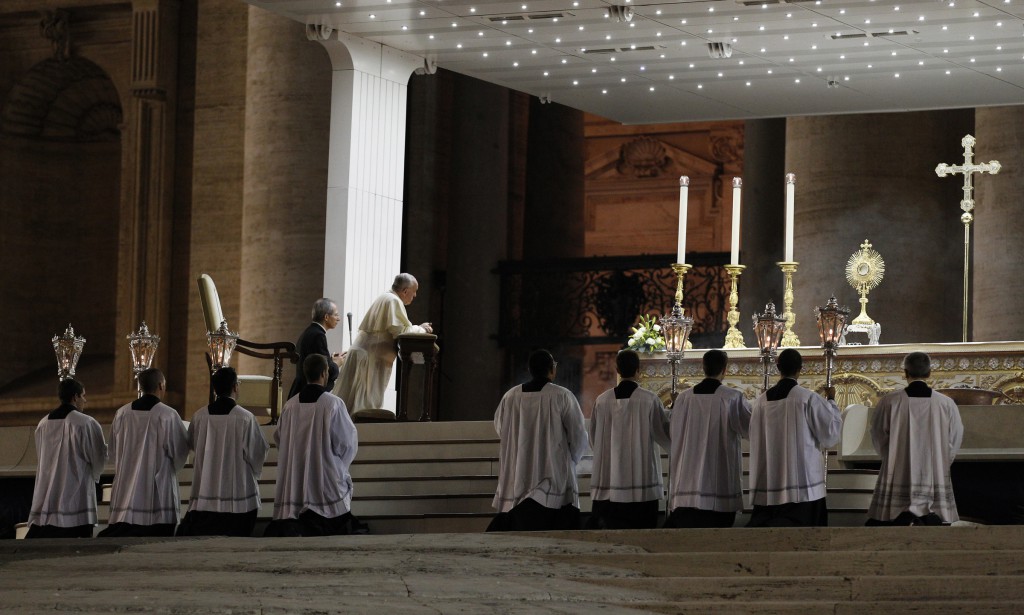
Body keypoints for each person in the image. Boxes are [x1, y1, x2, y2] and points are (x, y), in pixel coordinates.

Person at [488, 349, 588, 532]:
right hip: (553, 469)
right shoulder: (562, 395)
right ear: (552, 369)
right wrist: (572, 460)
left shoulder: (510, 396)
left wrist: (521, 442)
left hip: (519, 469)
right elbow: (578, 434)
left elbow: (501, 428)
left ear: (529, 369)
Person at [265, 354, 359, 536]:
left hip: (295, 477)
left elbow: (279, 438)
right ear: (325, 373)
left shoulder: (290, 406)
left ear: (305, 374)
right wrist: (338, 466)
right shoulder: (333, 404)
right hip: (325, 478)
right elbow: (347, 443)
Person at [746, 349, 842, 528]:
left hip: (769, 482)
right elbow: (830, 433)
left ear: (777, 368)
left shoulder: (760, 402)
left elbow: (753, 435)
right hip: (802, 488)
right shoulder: (807, 398)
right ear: (800, 369)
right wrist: (831, 401)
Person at [866, 352, 964, 526]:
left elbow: (878, 433)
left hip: (898, 467)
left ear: (905, 373)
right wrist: (943, 460)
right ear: (929, 373)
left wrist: (891, 457)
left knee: (890, 519)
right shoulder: (945, 403)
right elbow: (955, 436)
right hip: (934, 468)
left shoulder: (889, 402)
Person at [177, 367, 269, 537]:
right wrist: (255, 473)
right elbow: (258, 452)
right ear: (235, 387)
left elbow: (192, 445)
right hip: (238, 501)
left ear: (215, 389)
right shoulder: (245, 418)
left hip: (205, 496)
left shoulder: (199, 416)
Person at [665, 349, 751, 529]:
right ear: (725, 369)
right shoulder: (732, 397)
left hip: (688, 483)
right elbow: (750, 429)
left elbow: (674, 432)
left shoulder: (683, 398)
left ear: (703, 367)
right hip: (719, 482)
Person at [99, 368, 189, 537]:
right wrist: (172, 469)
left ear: (140, 387)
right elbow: (180, 450)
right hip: (157, 488)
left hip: (127, 486)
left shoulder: (122, 413)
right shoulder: (168, 414)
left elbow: (112, 450)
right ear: (161, 386)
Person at [586, 349, 670, 529]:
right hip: (641, 486)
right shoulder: (649, 399)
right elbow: (663, 434)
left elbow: (593, 438)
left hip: (609, 482)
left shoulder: (602, 400)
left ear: (617, 369)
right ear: (639, 370)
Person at [336, 273, 432, 414]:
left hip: (366, 356)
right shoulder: (393, 300)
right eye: (415, 291)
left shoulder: (386, 297)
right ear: (405, 291)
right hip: (368, 360)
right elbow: (402, 332)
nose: (415, 295)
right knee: (361, 408)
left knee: (349, 405)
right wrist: (422, 329)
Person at [25, 378, 108, 539]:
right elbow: (98, 455)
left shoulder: (43, 423)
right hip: (76, 494)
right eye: (83, 396)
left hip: (48, 491)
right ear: (75, 397)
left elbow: (41, 455)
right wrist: (97, 470)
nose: (85, 400)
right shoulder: (85, 422)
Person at [287, 298, 342, 399]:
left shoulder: (309, 332)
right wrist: (336, 364)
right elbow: (322, 370)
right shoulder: (318, 336)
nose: (338, 319)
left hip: (301, 391)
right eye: (336, 315)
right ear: (326, 317)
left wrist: (330, 360)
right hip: (309, 397)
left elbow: (314, 361)